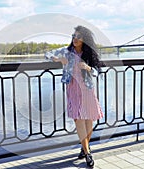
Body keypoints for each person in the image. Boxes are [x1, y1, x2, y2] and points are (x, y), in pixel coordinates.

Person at [45, 25, 104, 167]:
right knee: (79, 120)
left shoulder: (88, 54)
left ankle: (84, 149)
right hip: (73, 89)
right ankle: (88, 153)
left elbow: (97, 71)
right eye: (73, 36)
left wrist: (88, 68)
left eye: (78, 37)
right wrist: (58, 60)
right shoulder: (66, 52)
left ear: (84, 40)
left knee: (89, 119)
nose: (75, 39)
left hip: (88, 90)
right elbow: (47, 54)